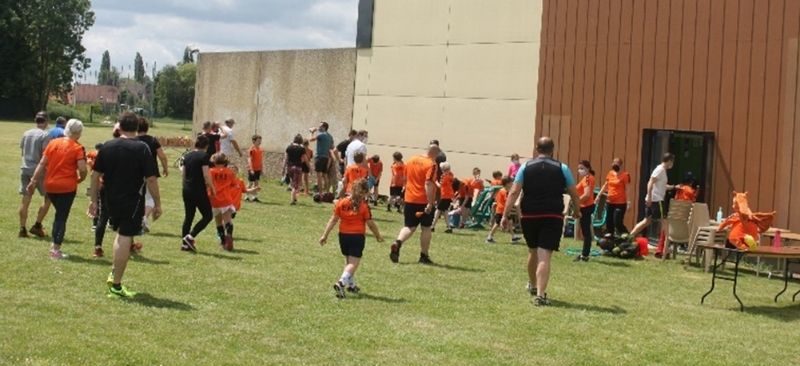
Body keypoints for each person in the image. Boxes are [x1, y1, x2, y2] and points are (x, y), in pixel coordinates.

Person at [501, 137, 580, 306]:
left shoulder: (525, 167)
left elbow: (514, 192)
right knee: (545, 255)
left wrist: (505, 215)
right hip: (553, 215)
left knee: (532, 251)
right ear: (553, 150)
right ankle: (540, 294)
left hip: (530, 215)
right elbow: (574, 192)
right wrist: (578, 210)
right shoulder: (562, 168)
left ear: (537, 149)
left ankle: (532, 285)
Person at [89, 112, 161, 298]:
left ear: (119, 126)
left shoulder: (107, 146)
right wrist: (158, 204)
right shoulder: (142, 148)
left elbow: (95, 176)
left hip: (110, 199)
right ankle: (116, 284)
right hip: (132, 200)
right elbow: (151, 179)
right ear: (137, 128)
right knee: (125, 236)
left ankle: (115, 271)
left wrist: (93, 201)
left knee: (120, 234)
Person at [28, 119, 88, 259]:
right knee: (61, 217)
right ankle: (55, 249)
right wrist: (81, 178)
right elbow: (83, 169)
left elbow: (42, 164)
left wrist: (33, 180)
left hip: (50, 185)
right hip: (67, 187)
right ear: (78, 133)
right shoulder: (77, 148)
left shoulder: (52, 143)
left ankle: (54, 246)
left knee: (58, 214)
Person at [320, 179, 383, 298]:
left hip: (343, 236)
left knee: (349, 261)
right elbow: (370, 224)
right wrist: (378, 235)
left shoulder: (341, 202)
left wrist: (325, 235)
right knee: (353, 263)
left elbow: (333, 220)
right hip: (357, 237)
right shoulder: (364, 206)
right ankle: (341, 282)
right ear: (365, 192)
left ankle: (351, 285)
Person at [389, 144, 440, 265]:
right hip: (422, 200)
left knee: (409, 226)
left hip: (410, 198)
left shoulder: (411, 160)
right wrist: (430, 202)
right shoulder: (432, 164)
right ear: (434, 153)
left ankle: (398, 242)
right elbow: (428, 183)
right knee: (426, 228)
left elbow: (405, 178)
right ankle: (424, 255)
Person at [629, 153, 677, 257]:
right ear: (669, 161)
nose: (672, 164)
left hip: (655, 199)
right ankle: (665, 251)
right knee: (665, 223)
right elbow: (650, 183)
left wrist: (674, 187)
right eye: (672, 161)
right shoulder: (659, 170)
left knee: (647, 221)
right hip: (657, 200)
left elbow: (662, 186)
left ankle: (629, 237)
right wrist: (650, 197)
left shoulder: (662, 171)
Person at [18, 111, 52, 238]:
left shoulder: (26, 133)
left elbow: (22, 151)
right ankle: (37, 225)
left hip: (25, 168)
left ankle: (22, 228)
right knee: (49, 198)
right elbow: (45, 155)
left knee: (25, 200)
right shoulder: (45, 135)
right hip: (39, 171)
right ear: (47, 121)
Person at [180, 135, 216, 252]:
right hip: (198, 190)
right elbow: (206, 175)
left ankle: (184, 244)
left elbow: (183, 174)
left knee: (189, 217)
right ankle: (190, 237)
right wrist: (212, 187)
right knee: (208, 215)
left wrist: (185, 186)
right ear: (206, 146)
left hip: (187, 189)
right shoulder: (204, 156)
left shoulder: (187, 155)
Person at [137, 117, 169, 233]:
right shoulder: (153, 140)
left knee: (139, 196)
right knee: (150, 197)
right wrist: (165, 168)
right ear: (147, 128)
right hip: (151, 172)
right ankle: (144, 217)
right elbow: (162, 156)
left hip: (136, 172)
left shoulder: (133, 140)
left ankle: (140, 218)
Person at [208, 153, 238, 251]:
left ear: (214, 161)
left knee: (218, 222)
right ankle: (229, 235)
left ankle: (222, 241)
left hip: (214, 199)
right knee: (228, 221)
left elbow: (206, 183)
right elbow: (235, 185)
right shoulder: (230, 172)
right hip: (226, 199)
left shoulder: (210, 171)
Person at [487, 177, 522, 244]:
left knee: (509, 222)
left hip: (502, 210)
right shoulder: (504, 191)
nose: (512, 183)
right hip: (501, 211)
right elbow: (507, 200)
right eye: (511, 182)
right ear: (507, 184)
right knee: (497, 224)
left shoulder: (502, 190)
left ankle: (513, 237)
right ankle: (489, 237)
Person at [574, 160, 596, 262]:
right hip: (584, 206)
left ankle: (585, 255)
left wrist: (577, 202)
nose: (580, 170)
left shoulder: (588, 178)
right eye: (579, 168)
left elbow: (587, 195)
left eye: (582, 168)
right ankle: (584, 253)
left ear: (588, 168)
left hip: (586, 207)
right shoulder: (585, 179)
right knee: (584, 231)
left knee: (586, 232)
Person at [309, 121, 335, 193]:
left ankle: (320, 193)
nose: (318, 127)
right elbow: (332, 147)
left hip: (319, 157)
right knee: (325, 175)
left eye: (320, 126)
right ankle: (327, 192)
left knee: (319, 176)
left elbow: (311, 140)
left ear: (324, 127)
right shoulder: (330, 136)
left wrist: (312, 132)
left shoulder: (321, 135)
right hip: (326, 157)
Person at [432, 162, 455, 232]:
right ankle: (448, 227)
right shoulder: (451, 175)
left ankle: (432, 226)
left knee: (438, 210)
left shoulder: (444, 176)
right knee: (445, 211)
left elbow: (440, 185)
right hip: (449, 195)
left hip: (445, 195)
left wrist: (435, 181)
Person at [285, 134, 307, 205]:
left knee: (293, 182)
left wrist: (284, 168)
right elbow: (304, 159)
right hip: (297, 167)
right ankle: (292, 200)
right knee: (296, 184)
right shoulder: (301, 149)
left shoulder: (289, 147)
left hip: (289, 167)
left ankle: (295, 198)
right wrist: (309, 166)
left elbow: (286, 158)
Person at [247, 135, 263, 202]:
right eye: (258, 141)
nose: (260, 142)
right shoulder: (251, 149)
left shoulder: (260, 149)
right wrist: (251, 169)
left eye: (260, 141)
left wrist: (261, 168)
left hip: (258, 169)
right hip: (252, 169)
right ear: (254, 141)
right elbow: (249, 159)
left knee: (256, 183)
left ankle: (254, 197)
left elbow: (260, 160)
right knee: (250, 183)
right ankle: (247, 196)